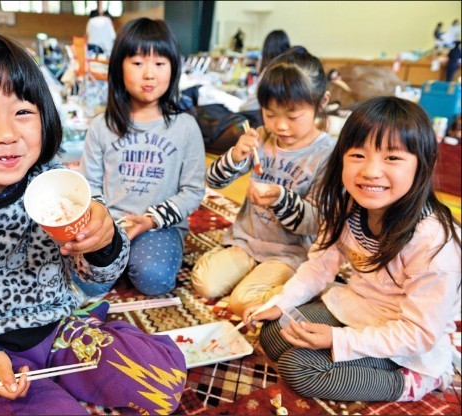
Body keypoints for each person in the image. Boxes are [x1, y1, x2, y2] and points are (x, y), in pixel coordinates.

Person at [0, 32, 187, 415]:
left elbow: (98, 276)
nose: (7, 134)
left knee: (163, 379)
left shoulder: (57, 182)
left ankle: (85, 357)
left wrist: (105, 239)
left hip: (60, 328)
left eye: (23, 112)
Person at [244, 96, 461, 403]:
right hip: (359, 307)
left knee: (299, 368)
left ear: (421, 165)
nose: (371, 171)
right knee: (274, 331)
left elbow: (419, 333)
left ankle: (416, 381)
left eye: (393, 158)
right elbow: (320, 265)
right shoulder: (348, 206)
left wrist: (338, 339)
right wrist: (282, 302)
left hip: (408, 335)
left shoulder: (433, 243)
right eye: (358, 154)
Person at [191, 47, 335, 315]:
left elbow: (315, 221)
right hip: (246, 243)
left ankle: (307, 289)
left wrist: (281, 199)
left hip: (289, 253)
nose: (280, 126)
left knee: (242, 302)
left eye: (293, 116)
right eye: (270, 114)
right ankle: (257, 276)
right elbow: (213, 180)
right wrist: (235, 155)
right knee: (204, 284)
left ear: (322, 102)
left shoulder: (327, 154)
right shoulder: (261, 137)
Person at [78, 18, 206, 297]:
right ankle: (118, 259)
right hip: (110, 224)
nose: (149, 74)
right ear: (119, 68)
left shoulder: (185, 127)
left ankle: (131, 260)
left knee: (154, 279)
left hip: (160, 226)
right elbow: (90, 185)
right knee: (86, 284)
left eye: (159, 64)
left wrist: (150, 219)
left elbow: (194, 190)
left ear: (173, 69)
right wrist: (104, 225)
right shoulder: (102, 125)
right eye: (137, 63)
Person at [239, 29, 290, 112]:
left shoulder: (269, 71)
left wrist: (240, 108)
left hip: (258, 115)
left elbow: (253, 102)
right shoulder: (289, 70)